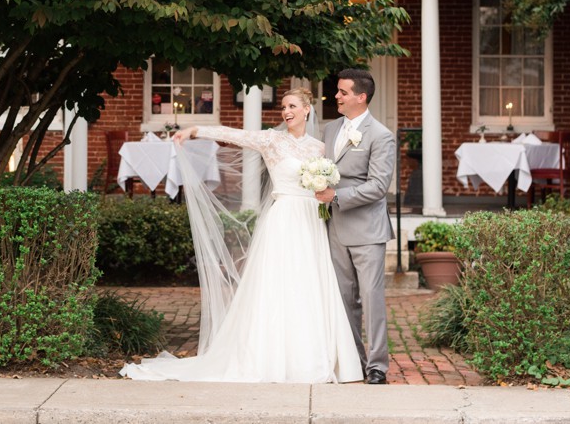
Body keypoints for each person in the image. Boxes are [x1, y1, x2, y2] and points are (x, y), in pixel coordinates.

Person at [120, 88, 362, 383]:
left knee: (310, 284)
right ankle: (272, 358)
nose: (286, 111)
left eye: (292, 106)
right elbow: (234, 134)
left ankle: (313, 356)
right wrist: (196, 130)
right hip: (284, 219)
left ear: (307, 110)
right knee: (277, 287)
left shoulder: (320, 148)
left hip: (312, 221)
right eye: (284, 106)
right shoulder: (272, 141)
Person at [314, 68, 396, 385]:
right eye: (338, 91)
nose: (336, 96)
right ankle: (354, 361)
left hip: (367, 230)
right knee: (344, 300)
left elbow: (378, 186)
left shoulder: (381, 135)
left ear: (361, 97)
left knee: (371, 299)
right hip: (335, 228)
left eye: (343, 92)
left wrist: (337, 195)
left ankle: (377, 366)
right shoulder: (331, 129)